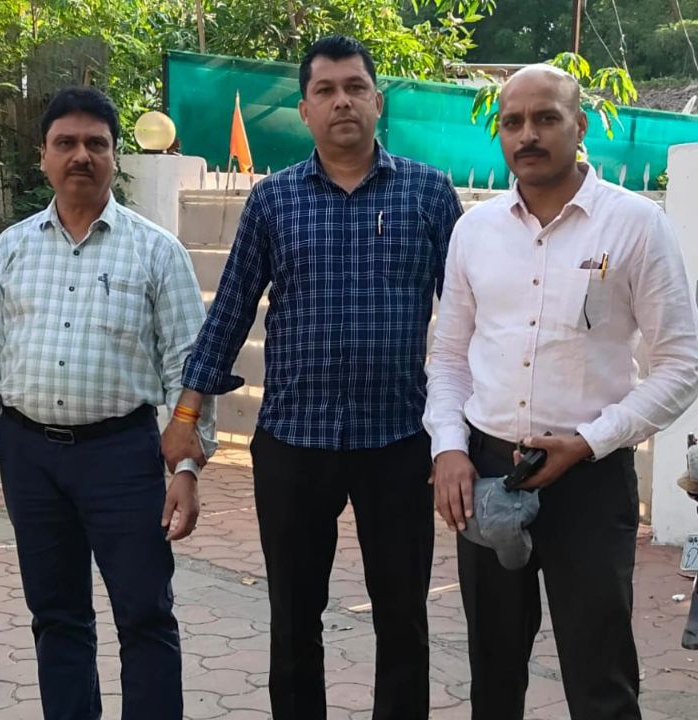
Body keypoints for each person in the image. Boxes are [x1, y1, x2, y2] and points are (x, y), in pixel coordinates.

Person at [162, 35, 463, 720]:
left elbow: (468, 318)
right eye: (325, 91)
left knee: (403, 619)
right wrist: (185, 417)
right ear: (304, 110)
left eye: (355, 88)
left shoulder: (428, 194)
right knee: (294, 619)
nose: (341, 102)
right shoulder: (274, 200)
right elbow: (230, 309)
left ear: (378, 101)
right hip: (294, 444)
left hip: (397, 441)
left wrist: (461, 433)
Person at [424, 63, 698, 720]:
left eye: (546, 118)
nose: (528, 135)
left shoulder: (634, 224)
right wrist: (449, 449)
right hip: (489, 473)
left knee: (601, 679)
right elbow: (450, 355)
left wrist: (590, 441)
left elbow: (681, 364)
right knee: (493, 677)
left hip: (589, 479)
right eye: (512, 122)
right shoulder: (475, 231)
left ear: (580, 125)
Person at [0, 86, 216, 720]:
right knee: (56, 615)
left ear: (115, 156)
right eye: (65, 143)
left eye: (96, 143)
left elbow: (188, 367)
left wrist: (186, 468)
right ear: (42, 156)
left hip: (123, 457)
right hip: (30, 458)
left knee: (145, 615)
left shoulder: (156, 250)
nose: (81, 156)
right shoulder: (12, 248)